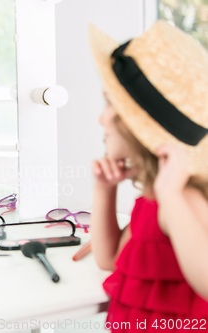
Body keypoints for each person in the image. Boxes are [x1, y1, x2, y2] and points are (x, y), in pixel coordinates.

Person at [89, 21, 208, 331]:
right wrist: (104, 190)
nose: (101, 118)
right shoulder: (152, 200)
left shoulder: (182, 197)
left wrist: (171, 194)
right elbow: (110, 260)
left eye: (110, 105)